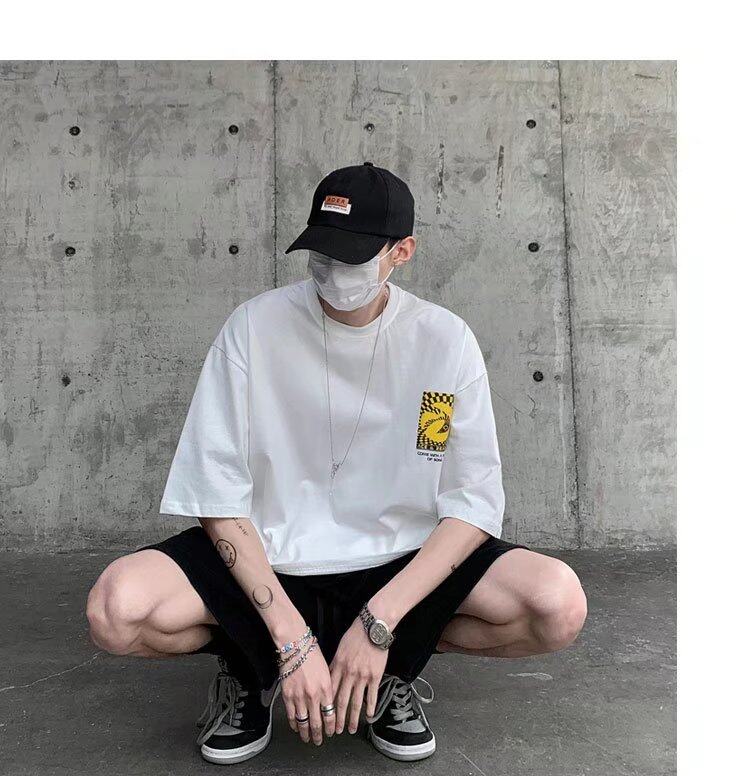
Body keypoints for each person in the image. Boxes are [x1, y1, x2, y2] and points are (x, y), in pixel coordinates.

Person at [86, 162, 587, 765]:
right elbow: (215, 495)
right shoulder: (254, 328)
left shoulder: (442, 343)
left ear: (402, 252)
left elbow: (472, 504)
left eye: (351, 257)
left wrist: (381, 624)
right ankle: (252, 669)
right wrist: (290, 638)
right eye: (321, 252)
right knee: (116, 609)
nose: (331, 271)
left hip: (397, 563)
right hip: (271, 558)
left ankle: (392, 670)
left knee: (557, 604)